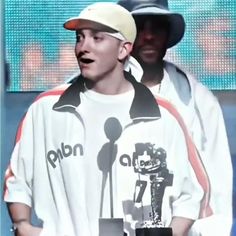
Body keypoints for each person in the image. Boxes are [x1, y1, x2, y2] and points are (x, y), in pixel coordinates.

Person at [3, 2, 203, 236]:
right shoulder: (45, 109)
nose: (83, 47)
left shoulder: (163, 115)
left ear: (123, 49)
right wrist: (22, 226)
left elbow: (190, 195)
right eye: (79, 38)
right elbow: (17, 181)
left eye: (97, 38)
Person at [117, 0, 233, 235]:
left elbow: (218, 185)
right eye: (140, 27)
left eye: (157, 27)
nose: (149, 36)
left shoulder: (199, 100)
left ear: (168, 33)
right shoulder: (93, 96)